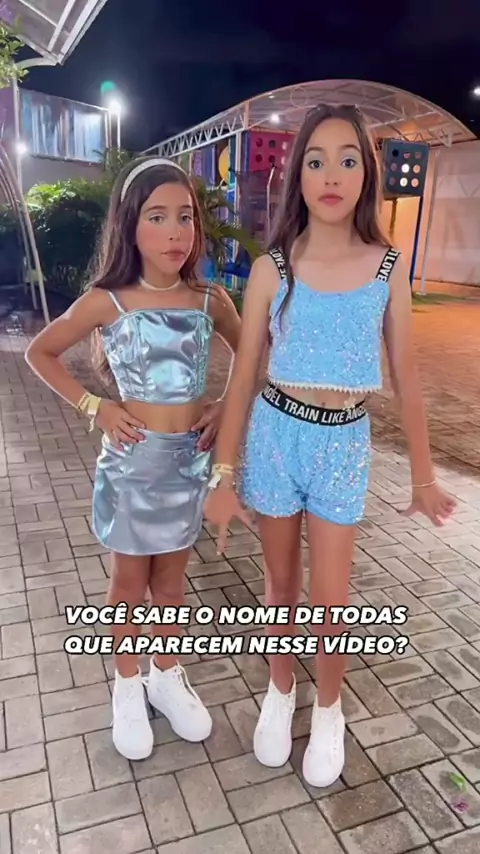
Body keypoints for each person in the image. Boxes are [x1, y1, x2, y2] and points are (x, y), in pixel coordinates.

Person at [204, 104, 456, 788]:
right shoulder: (272, 269)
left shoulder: (387, 268)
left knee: (330, 598)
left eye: (348, 159)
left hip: (344, 444)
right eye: (316, 160)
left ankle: (331, 707)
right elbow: (243, 378)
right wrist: (223, 476)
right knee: (279, 587)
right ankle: (280, 689)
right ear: (298, 175)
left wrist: (424, 477)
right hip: (276, 435)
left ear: (368, 174)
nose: (332, 175)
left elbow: (406, 379)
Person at [25, 156, 240, 761]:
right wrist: (94, 406)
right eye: (157, 217)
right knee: (127, 584)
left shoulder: (209, 299)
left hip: (187, 465)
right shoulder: (108, 301)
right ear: (130, 225)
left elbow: (255, 354)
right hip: (132, 467)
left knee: (171, 583)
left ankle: (165, 675)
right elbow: (40, 353)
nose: (175, 232)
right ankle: (126, 683)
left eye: (186, 217)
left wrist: (226, 406)